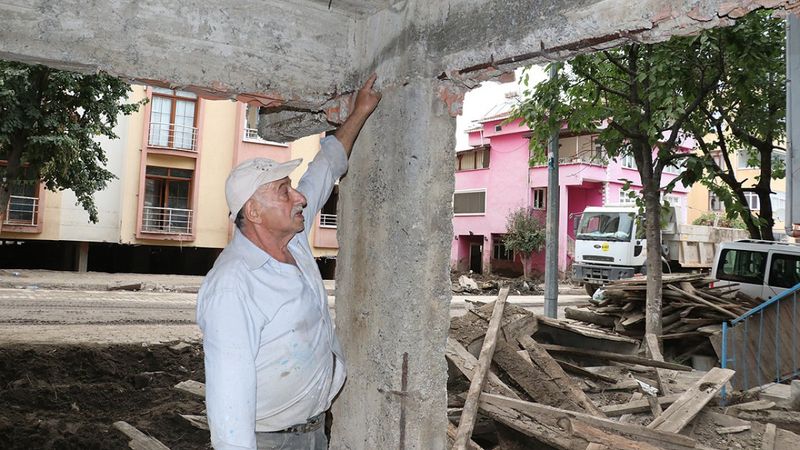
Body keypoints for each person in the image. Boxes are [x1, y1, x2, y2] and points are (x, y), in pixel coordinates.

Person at [196, 74, 381, 450]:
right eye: (284, 191)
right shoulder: (234, 285)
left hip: (311, 432)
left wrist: (360, 111)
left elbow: (325, 169)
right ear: (255, 211)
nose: (299, 197)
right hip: (268, 442)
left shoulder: (293, 241)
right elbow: (228, 406)